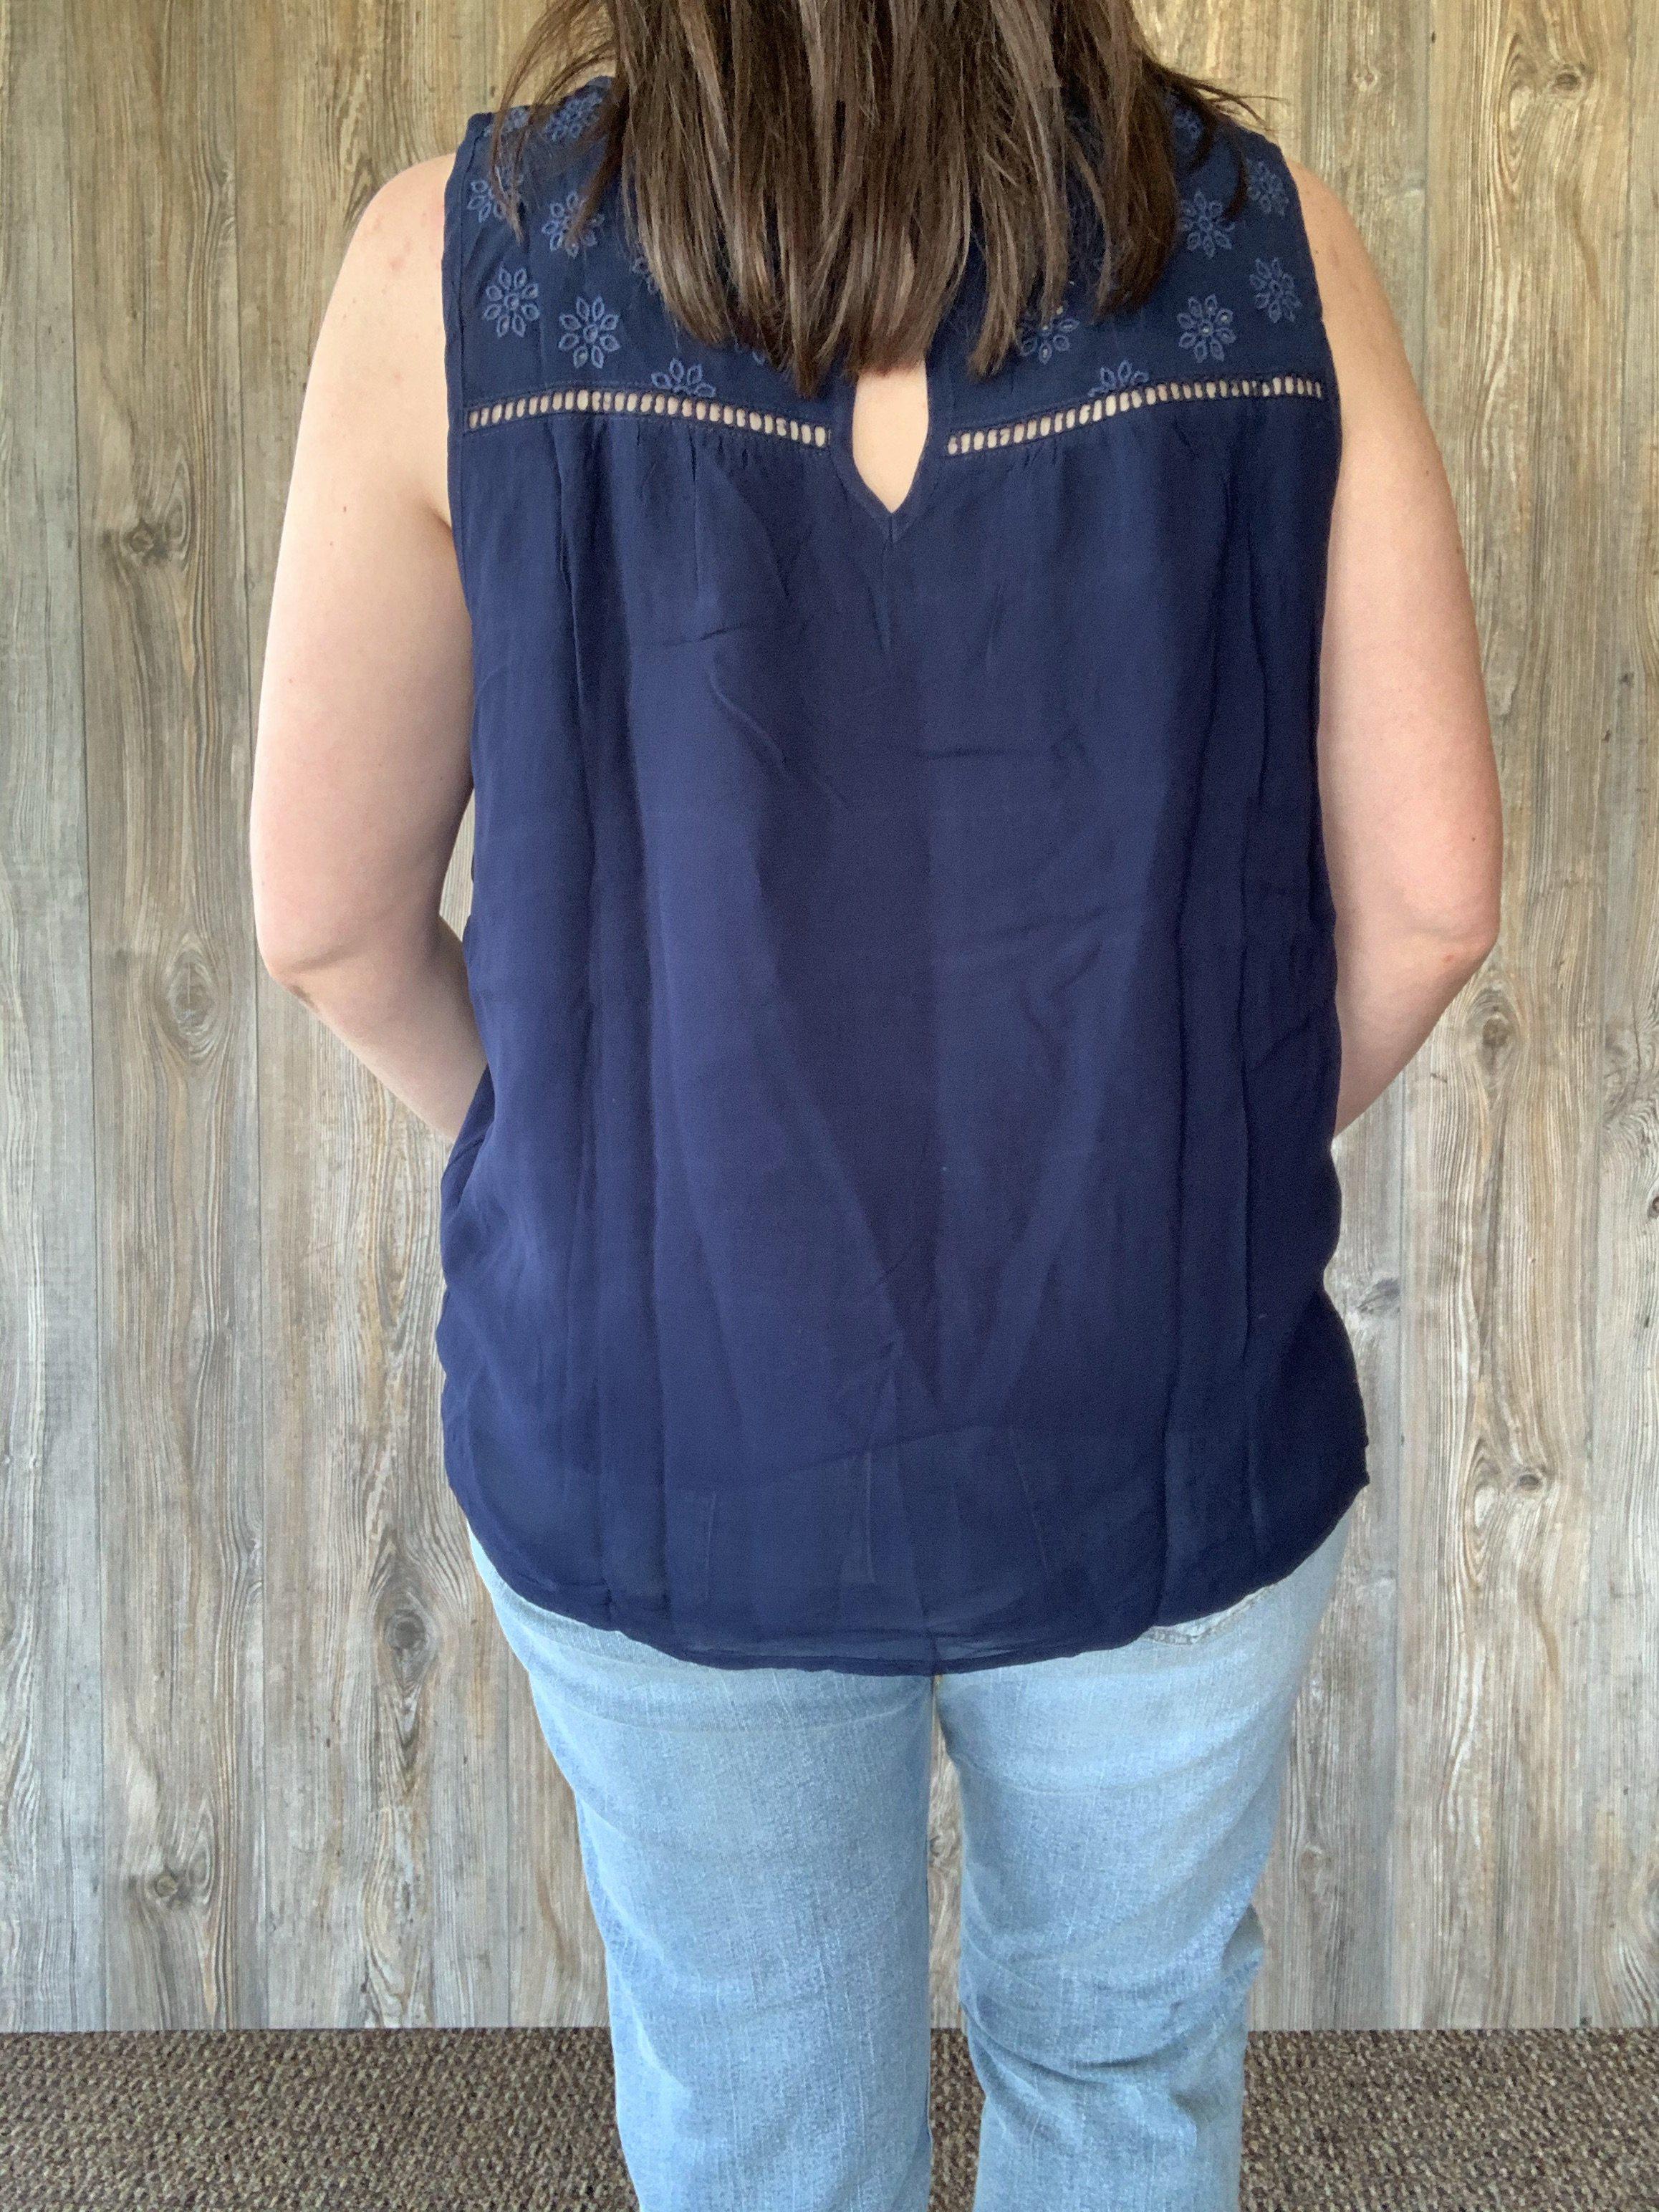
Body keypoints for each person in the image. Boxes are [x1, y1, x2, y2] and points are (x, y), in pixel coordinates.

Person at [249, 5, 1501, 2206]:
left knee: (756, 2137)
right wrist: (1172, 1169)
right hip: (1157, 1399)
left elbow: (332, 927)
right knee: (1118, 2091)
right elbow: (1428, 902)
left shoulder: (449, 269)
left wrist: (567, 1154)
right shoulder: (1260, 249)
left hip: (663, 1422)